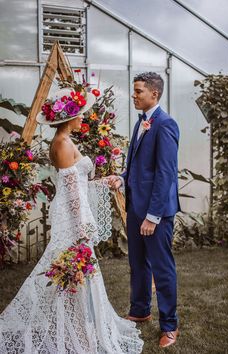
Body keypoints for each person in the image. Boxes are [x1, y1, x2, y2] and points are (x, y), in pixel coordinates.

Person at [0, 88, 143, 354]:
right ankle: (78, 334)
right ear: (69, 118)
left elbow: (78, 182)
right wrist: (80, 229)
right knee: (71, 271)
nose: (84, 118)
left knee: (73, 274)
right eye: (80, 114)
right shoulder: (63, 143)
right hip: (71, 217)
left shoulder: (64, 140)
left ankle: (78, 329)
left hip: (72, 211)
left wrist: (103, 182)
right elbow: (71, 191)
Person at [108, 72, 181, 348]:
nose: (134, 95)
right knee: (137, 263)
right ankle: (139, 310)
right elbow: (139, 166)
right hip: (135, 207)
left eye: (139, 91)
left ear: (154, 94)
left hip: (156, 212)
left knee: (162, 269)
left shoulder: (165, 124)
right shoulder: (142, 123)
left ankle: (169, 325)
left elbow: (165, 174)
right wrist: (122, 177)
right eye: (134, 90)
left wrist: (153, 216)